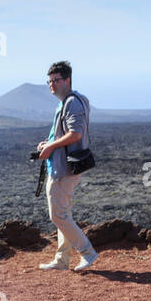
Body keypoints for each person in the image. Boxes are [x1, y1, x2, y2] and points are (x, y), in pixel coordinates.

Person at [36, 61, 98, 272]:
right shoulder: (67, 102)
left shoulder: (72, 103)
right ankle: (62, 260)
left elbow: (76, 134)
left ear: (67, 80)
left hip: (64, 169)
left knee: (58, 216)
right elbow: (64, 133)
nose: (52, 85)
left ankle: (87, 253)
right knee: (64, 215)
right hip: (60, 165)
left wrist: (51, 146)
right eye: (50, 81)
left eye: (56, 80)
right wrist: (48, 143)